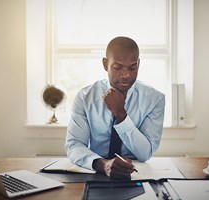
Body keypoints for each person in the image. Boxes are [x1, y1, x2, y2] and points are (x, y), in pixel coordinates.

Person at [65, 36, 165, 179]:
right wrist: (103, 164)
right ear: (105, 64)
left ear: (138, 64)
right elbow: (74, 145)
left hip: (136, 174)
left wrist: (120, 114)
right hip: (96, 170)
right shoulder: (85, 97)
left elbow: (145, 153)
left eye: (132, 67)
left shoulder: (155, 99)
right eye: (117, 67)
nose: (126, 75)